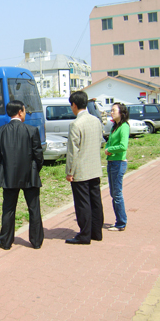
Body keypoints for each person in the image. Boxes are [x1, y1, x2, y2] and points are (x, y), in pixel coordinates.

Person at [0, 100, 44, 250]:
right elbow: (39, 156)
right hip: (30, 175)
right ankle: (36, 241)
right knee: (34, 208)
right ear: (20, 112)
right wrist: (36, 170)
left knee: (8, 210)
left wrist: (3, 170)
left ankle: (6, 242)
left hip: (9, 176)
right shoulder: (31, 130)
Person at [65, 91, 104, 245]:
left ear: (74, 105)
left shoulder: (75, 124)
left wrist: (69, 172)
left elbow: (72, 151)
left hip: (80, 170)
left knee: (82, 203)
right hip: (94, 167)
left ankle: (84, 234)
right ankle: (97, 232)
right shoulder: (96, 121)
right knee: (95, 201)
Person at [105, 102, 130, 231]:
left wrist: (111, 149)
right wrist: (107, 148)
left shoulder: (124, 127)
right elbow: (108, 142)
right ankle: (119, 220)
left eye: (114, 110)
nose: (112, 112)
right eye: (111, 110)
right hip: (111, 162)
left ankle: (121, 222)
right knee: (113, 193)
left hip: (118, 162)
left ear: (121, 112)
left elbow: (123, 146)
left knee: (117, 194)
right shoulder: (115, 126)